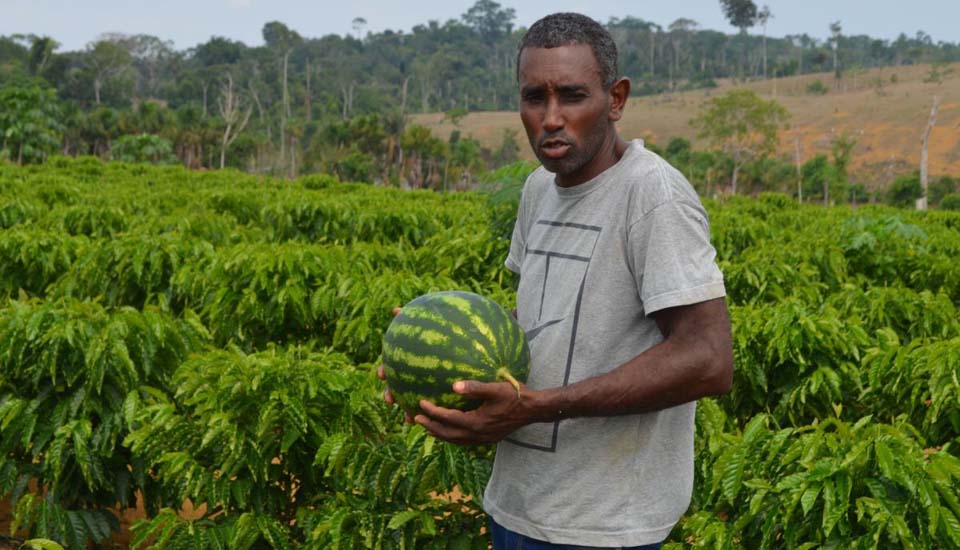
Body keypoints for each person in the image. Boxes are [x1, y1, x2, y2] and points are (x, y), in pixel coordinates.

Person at [381, 12, 733, 550]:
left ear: (615, 99)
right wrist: (435, 352)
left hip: (601, 525)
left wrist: (538, 406)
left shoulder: (652, 195)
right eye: (533, 98)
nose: (550, 119)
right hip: (519, 504)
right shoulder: (538, 189)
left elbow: (708, 358)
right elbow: (545, 319)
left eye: (571, 96)